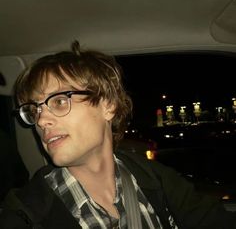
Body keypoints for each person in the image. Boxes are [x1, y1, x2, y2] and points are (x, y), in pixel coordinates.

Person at [0, 41, 235, 229]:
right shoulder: (26, 213)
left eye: (60, 101)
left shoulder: (155, 179)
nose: (41, 121)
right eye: (34, 110)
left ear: (108, 105)